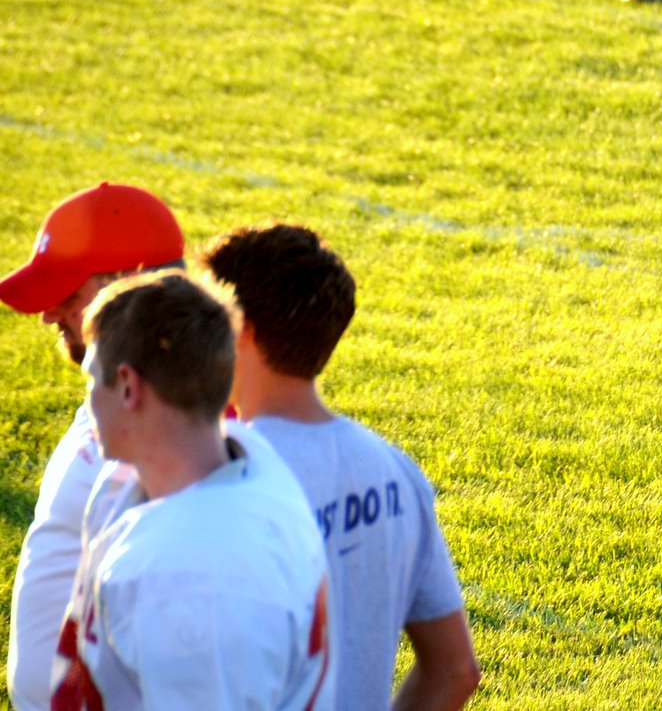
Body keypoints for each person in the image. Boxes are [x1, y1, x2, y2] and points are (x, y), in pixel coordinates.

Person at [201, 224, 481, 711]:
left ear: (240, 329)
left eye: (204, 316)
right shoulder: (395, 469)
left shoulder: (221, 472)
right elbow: (455, 670)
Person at [50, 271, 334, 709]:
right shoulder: (236, 459)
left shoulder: (196, 585)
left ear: (128, 386)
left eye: (93, 379)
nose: (90, 398)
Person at [1, 183, 185, 711]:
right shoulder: (116, 390)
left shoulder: (171, 418)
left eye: (66, 293)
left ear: (129, 286)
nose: (47, 314)